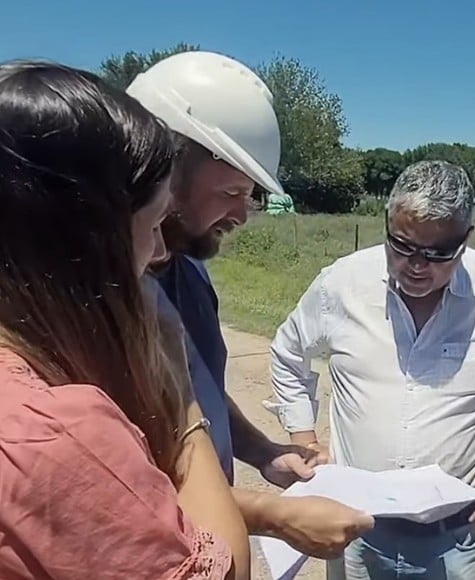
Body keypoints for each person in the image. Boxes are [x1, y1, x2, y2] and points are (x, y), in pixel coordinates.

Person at [269, 160, 475, 580]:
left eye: (438, 253)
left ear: (466, 239)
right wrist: (303, 439)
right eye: (401, 246)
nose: (416, 265)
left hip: (459, 540)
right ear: (386, 223)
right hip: (357, 530)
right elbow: (288, 354)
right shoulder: (341, 285)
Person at [0, 61, 249, 579]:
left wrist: (262, 450)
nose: (158, 249)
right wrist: (178, 399)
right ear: (86, 240)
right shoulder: (54, 432)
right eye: (152, 223)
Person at [127, 50, 373, 559]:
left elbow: (201, 396)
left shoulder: (190, 270)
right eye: (233, 191)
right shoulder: (97, 301)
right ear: (165, 171)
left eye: (252, 194)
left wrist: (264, 453)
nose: (245, 214)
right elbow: (118, 490)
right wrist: (273, 516)